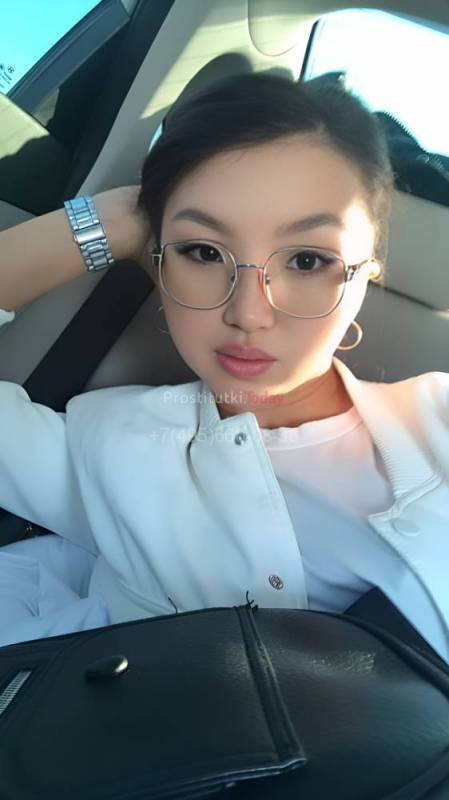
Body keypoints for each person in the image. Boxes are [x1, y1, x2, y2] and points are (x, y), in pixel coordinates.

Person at [1, 72, 449, 662]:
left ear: (367, 270)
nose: (248, 313)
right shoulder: (110, 443)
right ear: (158, 261)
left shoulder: (439, 418)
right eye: (203, 252)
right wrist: (114, 222)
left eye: (308, 260)